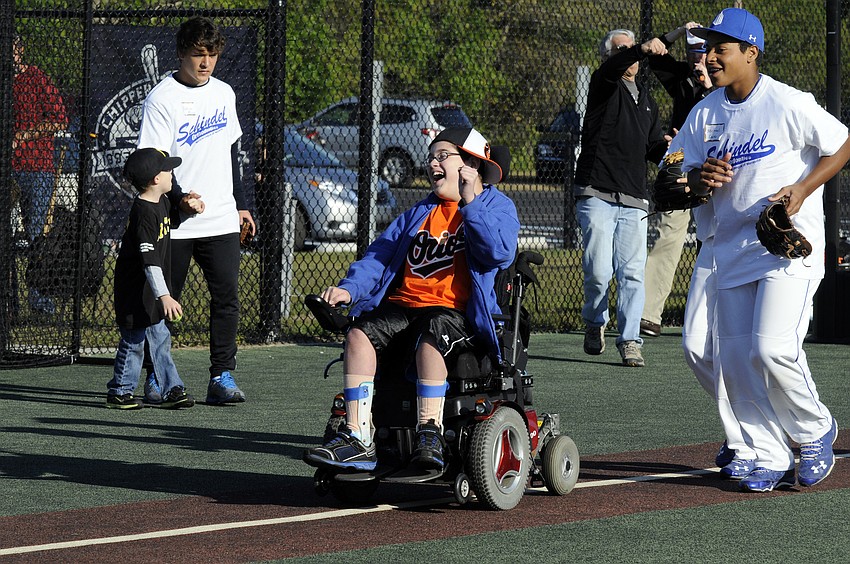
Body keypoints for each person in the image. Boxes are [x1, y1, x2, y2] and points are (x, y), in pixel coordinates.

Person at [681, 7, 850, 492]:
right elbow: (683, 175)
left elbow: (841, 143)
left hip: (786, 247)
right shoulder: (705, 112)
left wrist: (802, 189)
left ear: (750, 52)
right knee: (735, 360)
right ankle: (767, 452)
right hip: (731, 247)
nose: (710, 57)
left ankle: (814, 430)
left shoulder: (786, 102)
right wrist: (700, 178)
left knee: (772, 348)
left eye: (721, 48)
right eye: (708, 48)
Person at [303, 127, 519, 472]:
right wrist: (349, 289)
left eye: (442, 156)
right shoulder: (419, 213)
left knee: (431, 335)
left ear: (471, 164)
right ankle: (358, 438)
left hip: (454, 312)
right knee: (358, 334)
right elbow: (379, 257)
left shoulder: (497, 206)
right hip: (405, 307)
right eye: (431, 157)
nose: (432, 163)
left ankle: (429, 432)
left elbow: (499, 253)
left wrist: (470, 204)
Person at [137, 16, 256, 405]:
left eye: (212, 54)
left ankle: (221, 376)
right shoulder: (162, 98)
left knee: (227, 298)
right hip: (176, 221)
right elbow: (153, 163)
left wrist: (241, 205)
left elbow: (232, 153)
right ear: (180, 53)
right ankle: (157, 377)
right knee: (163, 300)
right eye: (197, 54)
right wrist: (179, 199)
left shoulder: (224, 92)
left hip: (220, 218)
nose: (206, 62)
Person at [572, 29, 670, 367]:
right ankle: (594, 321)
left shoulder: (646, 101)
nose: (629, 53)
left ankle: (629, 341)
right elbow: (617, 65)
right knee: (599, 272)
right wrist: (641, 47)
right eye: (621, 49)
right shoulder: (604, 84)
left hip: (633, 199)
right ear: (608, 57)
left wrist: (670, 148)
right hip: (596, 192)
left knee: (632, 274)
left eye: (631, 48)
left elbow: (653, 147)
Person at [107, 148, 200, 410]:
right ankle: (120, 391)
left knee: (160, 339)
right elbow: (149, 262)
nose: (172, 174)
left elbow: (174, 220)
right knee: (134, 342)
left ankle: (171, 388)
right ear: (156, 179)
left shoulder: (162, 202)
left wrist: (191, 209)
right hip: (136, 291)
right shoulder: (142, 213)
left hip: (152, 291)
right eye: (168, 170)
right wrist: (165, 295)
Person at [641, 24, 713, 337]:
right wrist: (679, 31)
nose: (698, 59)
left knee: (714, 238)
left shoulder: (727, 84)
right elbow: (652, 53)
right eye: (693, 52)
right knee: (667, 235)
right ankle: (647, 315)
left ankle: (712, 312)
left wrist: (709, 85)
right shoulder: (683, 78)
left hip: (717, 168)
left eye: (703, 52)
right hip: (681, 163)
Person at [12, 35, 67, 314]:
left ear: (20, 50)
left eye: (13, 49)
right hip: (9, 168)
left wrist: (25, 135)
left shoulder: (36, 78)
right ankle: (10, 300)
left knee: (36, 235)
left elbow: (60, 120)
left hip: (36, 168)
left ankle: (39, 300)